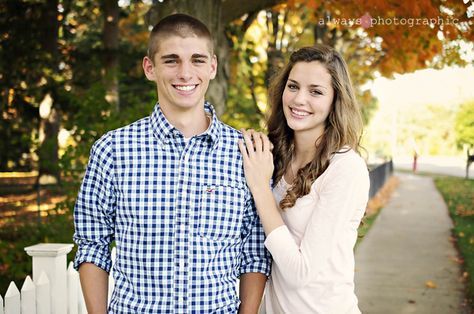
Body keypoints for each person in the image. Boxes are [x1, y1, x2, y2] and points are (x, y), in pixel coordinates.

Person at [73, 13, 270, 313]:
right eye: (171, 60)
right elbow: (92, 245)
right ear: (149, 68)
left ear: (213, 66)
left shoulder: (244, 154)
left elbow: (254, 252)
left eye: (197, 60)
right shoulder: (111, 151)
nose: (185, 73)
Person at [238, 44, 370, 313]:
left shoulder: (345, 169)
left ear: (336, 100)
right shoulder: (273, 156)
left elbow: (301, 273)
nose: (299, 99)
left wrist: (260, 188)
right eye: (293, 86)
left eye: (316, 92)